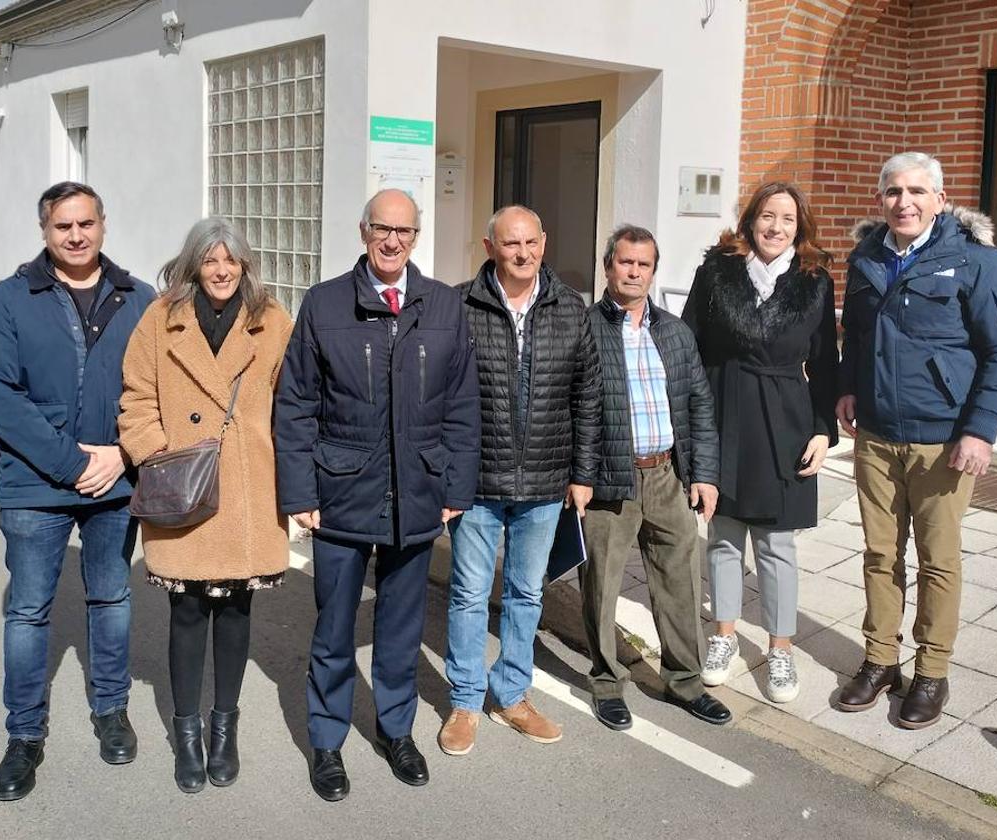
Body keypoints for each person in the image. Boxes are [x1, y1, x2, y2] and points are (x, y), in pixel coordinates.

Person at [275, 189, 480, 801]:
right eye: (382, 229)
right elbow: (295, 405)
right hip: (341, 490)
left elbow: (464, 407)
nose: (393, 241)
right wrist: (298, 490)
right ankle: (328, 741)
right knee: (335, 626)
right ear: (363, 231)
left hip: (419, 489)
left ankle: (396, 731)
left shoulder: (444, 305)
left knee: (400, 627)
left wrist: (456, 487)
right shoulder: (326, 302)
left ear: (417, 237)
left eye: (405, 231)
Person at [835, 152, 997, 728]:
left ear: (941, 200)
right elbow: (858, 332)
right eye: (893, 192)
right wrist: (848, 388)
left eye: (917, 192)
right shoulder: (866, 257)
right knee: (878, 554)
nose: (905, 202)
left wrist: (980, 430)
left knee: (938, 560)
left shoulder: (978, 262)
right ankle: (879, 661)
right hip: (875, 436)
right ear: (881, 201)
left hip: (943, 441)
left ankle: (932, 672)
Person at [0, 181, 156, 801]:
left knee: (110, 597)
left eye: (85, 224)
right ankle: (24, 735)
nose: (75, 236)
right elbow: (0, 397)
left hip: (114, 482)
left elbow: (157, 390)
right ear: (45, 231)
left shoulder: (139, 299)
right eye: (62, 227)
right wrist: (70, 462)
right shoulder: (8, 299)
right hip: (34, 486)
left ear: (103, 225)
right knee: (28, 611)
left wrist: (125, 452)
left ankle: (111, 710)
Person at [118, 218, 294, 793]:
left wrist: (293, 480)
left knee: (238, 612)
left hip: (248, 487)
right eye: (211, 260)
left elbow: (295, 404)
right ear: (193, 264)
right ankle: (187, 733)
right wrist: (157, 454)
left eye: (232, 261)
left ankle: (226, 729)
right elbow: (137, 396)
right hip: (185, 485)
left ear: (246, 266)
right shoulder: (160, 318)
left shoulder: (272, 321)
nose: (222, 271)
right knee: (187, 614)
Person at [439, 205, 601, 756]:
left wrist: (582, 474)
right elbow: (438, 395)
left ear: (544, 241)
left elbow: (588, 396)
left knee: (526, 593)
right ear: (490, 248)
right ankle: (464, 700)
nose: (523, 253)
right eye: (511, 244)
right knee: (467, 595)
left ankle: (511, 695)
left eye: (531, 242)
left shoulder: (570, 307)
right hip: (478, 481)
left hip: (544, 482)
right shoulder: (458, 305)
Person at [681, 182, 839, 704]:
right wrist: (691, 425)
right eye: (767, 216)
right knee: (723, 535)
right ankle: (723, 638)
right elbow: (690, 346)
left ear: (801, 227)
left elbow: (825, 360)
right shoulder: (716, 272)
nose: (776, 227)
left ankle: (780, 650)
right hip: (724, 410)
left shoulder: (814, 281)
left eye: (788, 219)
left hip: (786, 419)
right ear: (749, 221)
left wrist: (822, 428)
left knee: (776, 545)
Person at [580, 224, 729, 731]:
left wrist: (703, 474)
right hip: (610, 478)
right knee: (602, 581)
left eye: (644, 264)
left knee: (681, 581)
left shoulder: (674, 331)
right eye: (625, 262)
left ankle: (685, 681)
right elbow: (567, 407)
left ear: (653, 271)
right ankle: (606, 682)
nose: (635, 272)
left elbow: (700, 407)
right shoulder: (585, 329)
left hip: (666, 473)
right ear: (608, 268)